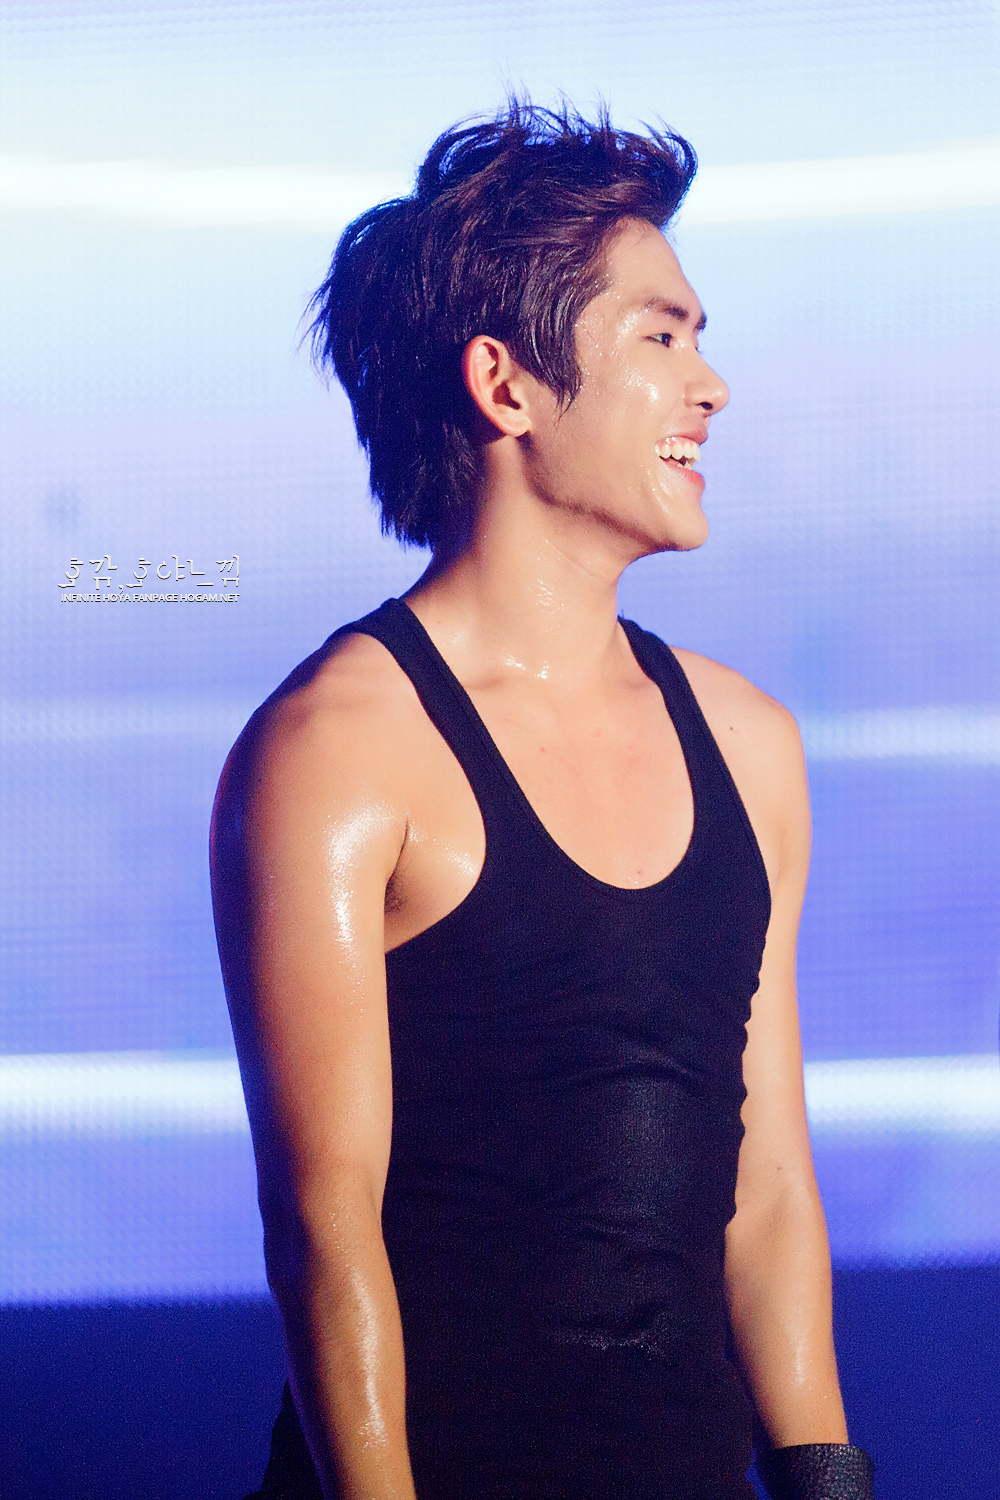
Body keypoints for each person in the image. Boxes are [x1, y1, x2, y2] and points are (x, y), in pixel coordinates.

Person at [211, 101, 875, 1500]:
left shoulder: (750, 741)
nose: (713, 386)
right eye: (661, 337)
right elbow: (326, 1233)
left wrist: (827, 1482)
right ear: (505, 385)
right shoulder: (335, 750)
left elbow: (764, 1191)